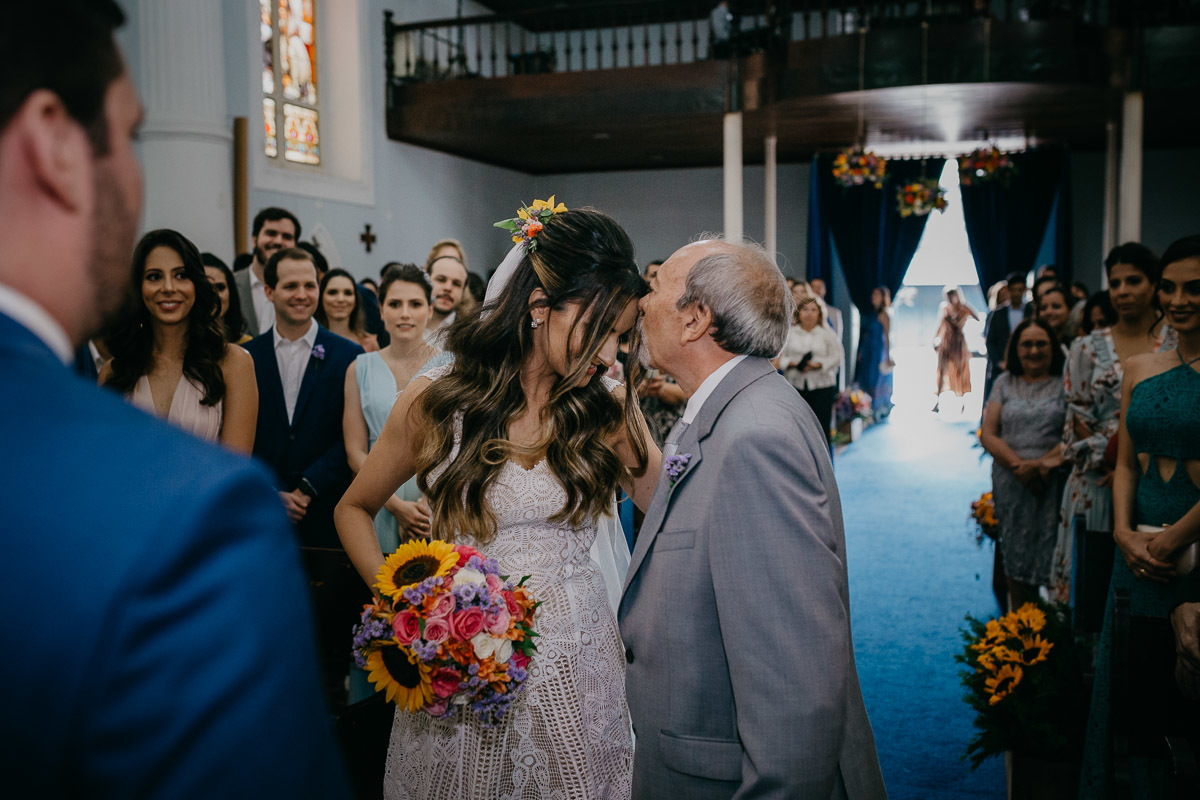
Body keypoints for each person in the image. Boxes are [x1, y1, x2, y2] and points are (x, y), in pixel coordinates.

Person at [0, 2, 347, 795]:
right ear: (55, 141)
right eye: (129, 133)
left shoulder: (223, 370)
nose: (135, 171)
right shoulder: (190, 519)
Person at [336, 206, 660, 799]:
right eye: (601, 331)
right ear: (540, 310)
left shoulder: (606, 404)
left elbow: (670, 517)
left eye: (622, 335)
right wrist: (413, 616)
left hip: (577, 665)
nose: (612, 355)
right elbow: (352, 509)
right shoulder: (439, 400)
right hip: (460, 677)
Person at [622, 237, 884, 799]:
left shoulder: (755, 438)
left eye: (657, 287)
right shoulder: (729, 409)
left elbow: (794, 691)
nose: (641, 303)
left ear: (696, 318)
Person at [1078, 235, 1200, 798]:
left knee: (1187, 680)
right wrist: (1124, 533)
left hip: (1188, 541)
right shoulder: (1139, 367)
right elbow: (1125, 464)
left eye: (1194, 288)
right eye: (1171, 287)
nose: (1179, 300)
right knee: (1137, 682)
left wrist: (1173, 539)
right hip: (1138, 540)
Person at [245, 246, 365, 708]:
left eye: (309, 285)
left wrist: (307, 486)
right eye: (290, 286)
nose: (302, 294)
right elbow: (240, 432)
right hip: (264, 515)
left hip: (327, 514)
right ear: (270, 290)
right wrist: (270, 491)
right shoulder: (245, 356)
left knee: (328, 642)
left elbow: (351, 435)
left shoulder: (347, 356)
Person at [1050, 243, 1174, 603]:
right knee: (1091, 595)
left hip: (1159, 485)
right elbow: (1076, 429)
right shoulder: (1085, 349)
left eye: (1133, 281)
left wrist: (1131, 458)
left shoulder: (1178, 342)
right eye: (1115, 282)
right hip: (1095, 487)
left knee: (1150, 600)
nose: (1122, 291)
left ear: (1155, 285)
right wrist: (1117, 457)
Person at [101, 229, 258, 452]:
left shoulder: (233, 363)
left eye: (181, 275)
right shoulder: (113, 372)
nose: (168, 288)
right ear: (138, 287)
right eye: (154, 276)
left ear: (197, 284)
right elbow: (107, 458)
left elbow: (236, 465)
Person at [343, 265, 439, 553]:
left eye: (415, 304)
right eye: (395, 304)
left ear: (430, 310)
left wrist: (427, 506)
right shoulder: (359, 368)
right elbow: (355, 450)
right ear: (381, 311)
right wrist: (395, 506)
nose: (405, 313)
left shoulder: (453, 366)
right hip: (377, 504)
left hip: (434, 504)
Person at [980, 319, 1068, 608]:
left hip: (1053, 480)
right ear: (1015, 349)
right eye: (1026, 344)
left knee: (1053, 551)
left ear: (1053, 348)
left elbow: (1074, 433)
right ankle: (1017, 629)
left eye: (1041, 344)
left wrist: (1042, 465)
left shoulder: (1065, 383)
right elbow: (989, 433)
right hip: (1011, 479)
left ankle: (1054, 639)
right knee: (1015, 553)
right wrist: (1019, 466)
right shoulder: (1004, 382)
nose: (1033, 350)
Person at [778, 290, 844, 444]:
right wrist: (792, 363)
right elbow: (779, 357)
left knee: (821, 429)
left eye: (813, 310)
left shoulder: (827, 334)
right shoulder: (789, 333)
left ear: (820, 313)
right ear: (799, 312)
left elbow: (837, 356)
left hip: (822, 387)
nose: (809, 314)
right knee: (797, 428)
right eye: (805, 309)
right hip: (796, 386)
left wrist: (819, 364)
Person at [235, 206, 301, 334]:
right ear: (254, 240)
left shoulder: (303, 294)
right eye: (271, 233)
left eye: (287, 237)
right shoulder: (230, 285)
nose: (278, 241)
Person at [984, 272, 1029, 402]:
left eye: (1020, 290)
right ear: (1009, 290)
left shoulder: (1031, 311)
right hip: (1002, 368)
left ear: (1024, 290)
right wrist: (999, 362)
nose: (1017, 294)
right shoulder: (997, 313)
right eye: (1014, 290)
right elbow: (990, 341)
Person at [933, 285, 979, 412]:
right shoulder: (944, 308)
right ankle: (937, 403)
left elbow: (977, 318)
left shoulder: (964, 308)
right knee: (942, 371)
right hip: (946, 343)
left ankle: (963, 403)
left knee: (961, 371)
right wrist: (935, 339)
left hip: (959, 344)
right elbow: (940, 325)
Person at [316, 267, 378, 352]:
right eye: (332, 292)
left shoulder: (369, 344)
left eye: (348, 293)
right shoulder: (310, 341)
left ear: (355, 299)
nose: (341, 299)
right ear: (321, 297)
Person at [856, 285, 894, 418]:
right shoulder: (871, 313)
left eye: (877, 296)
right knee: (866, 378)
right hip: (868, 350)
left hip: (878, 352)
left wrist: (888, 355)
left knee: (876, 379)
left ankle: (877, 409)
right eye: (873, 295)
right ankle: (866, 408)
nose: (874, 298)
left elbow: (887, 336)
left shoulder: (885, 314)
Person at [203, 251, 252, 344]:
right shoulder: (178, 347)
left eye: (220, 287)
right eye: (206, 288)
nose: (215, 295)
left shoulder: (248, 345)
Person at [424, 252, 468, 346]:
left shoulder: (468, 337)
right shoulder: (398, 324)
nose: (448, 288)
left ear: (463, 291)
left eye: (456, 284)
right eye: (441, 279)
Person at [1035, 283, 1074, 352]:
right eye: (1043, 308)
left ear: (1069, 310)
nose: (1049, 312)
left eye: (1056, 306)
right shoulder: (1033, 345)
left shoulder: (1076, 346)